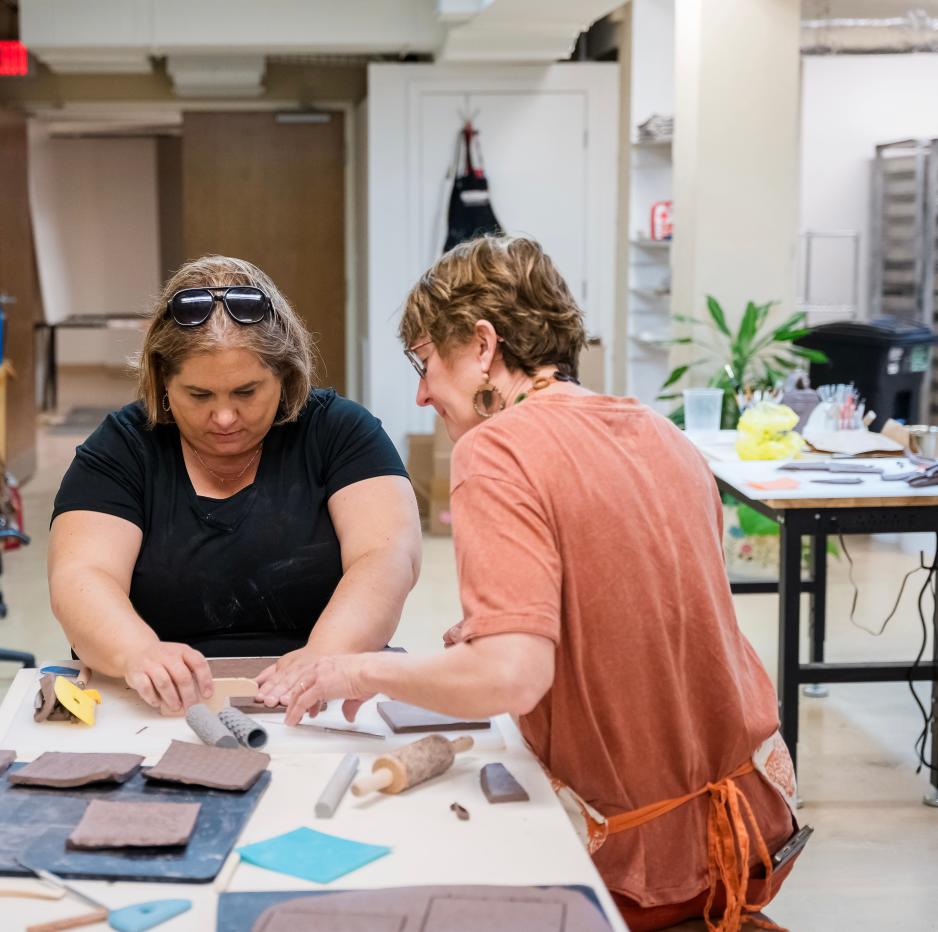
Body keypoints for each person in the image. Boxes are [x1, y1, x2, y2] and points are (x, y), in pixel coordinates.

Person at [257, 236, 800, 931]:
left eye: (426, 361)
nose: (423, 393)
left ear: (482, 346)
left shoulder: (497, 448)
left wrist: (360, 673)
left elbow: (510, 676)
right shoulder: (663, 436)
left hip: (639, 868)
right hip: (753, 827)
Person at [49, 255, 422, 717]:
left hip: (323, 691)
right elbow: (81, 576)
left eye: (246, 393)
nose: (224, 418)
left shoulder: (341, 433)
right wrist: (138, 652)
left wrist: (325, 653)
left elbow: (386, 557)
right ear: (163, 381)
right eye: (199, 395)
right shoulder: (123, 449)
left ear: (284, 375)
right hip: (160, 705)